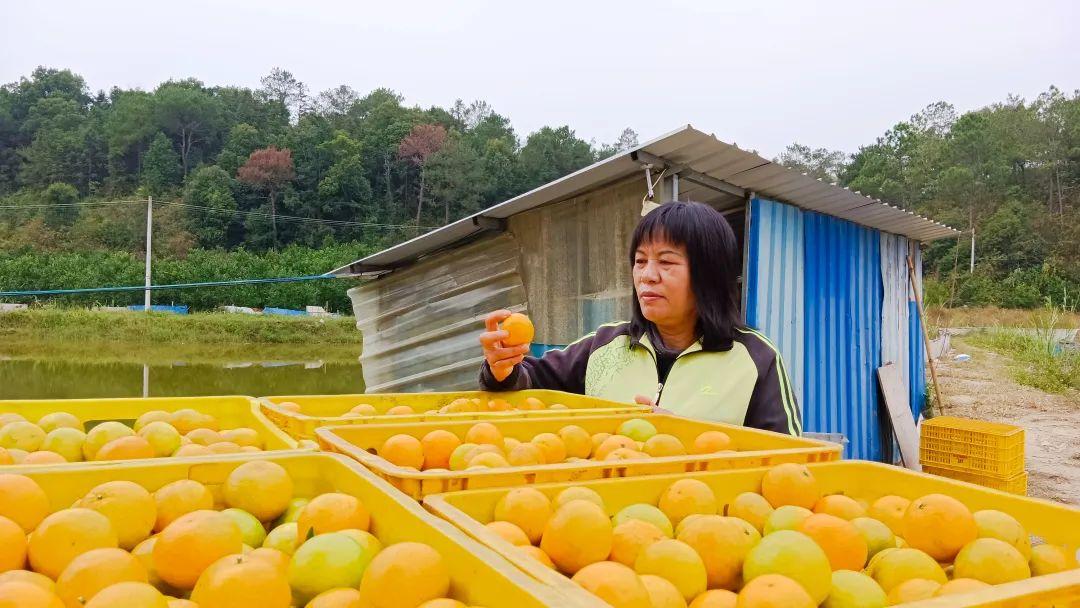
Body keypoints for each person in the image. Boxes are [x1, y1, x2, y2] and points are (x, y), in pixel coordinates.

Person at [478, 201, 801, 435]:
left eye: (666, 262)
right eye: (640, 260)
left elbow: (788, 469)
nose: (647, 276)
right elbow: (527, 380)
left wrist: (682, 440)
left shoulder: (755, 359)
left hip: (708, 524)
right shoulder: (605, 345)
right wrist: (502, 366)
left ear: (709, 273)